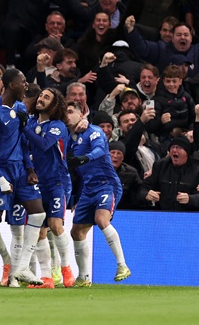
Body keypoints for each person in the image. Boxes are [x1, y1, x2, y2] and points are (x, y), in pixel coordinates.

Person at [0, 68, 46, 289]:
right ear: (11, 85)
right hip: (0, 172)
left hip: (20, 171)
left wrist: (30, 167)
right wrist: (0, 178)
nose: (26, 85)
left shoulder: (21, 108)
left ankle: (22, 268)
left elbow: (23, 141)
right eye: (23, 81)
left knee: (38, 213)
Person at [65, 100, 130, 286]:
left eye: (71, 112)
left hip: (106, 184)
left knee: (102, 219)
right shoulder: (70, 138)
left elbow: (101, 150)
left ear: (82, 113)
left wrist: (84, 158)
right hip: (88, 188)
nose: (67, 115)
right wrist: (75, 196)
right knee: (76, 231)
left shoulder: (93, 131)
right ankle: (84, 277)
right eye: (65, 113)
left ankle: (122, 265)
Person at [20, 87, 75, 289]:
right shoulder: (33, 122)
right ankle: (46, 278)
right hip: (36, 182)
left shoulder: (57, 126)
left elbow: (43, 145)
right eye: (41, 96)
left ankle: (66, 268)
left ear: (54, 105)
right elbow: (25, 149)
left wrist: (24, 127)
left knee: (55, 225)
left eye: (47, 97)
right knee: (39, 232)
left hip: (56, 182)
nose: (41, 99)